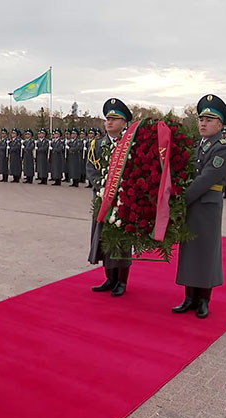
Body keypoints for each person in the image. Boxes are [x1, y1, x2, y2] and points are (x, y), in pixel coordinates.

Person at [172, 94, 226, 319]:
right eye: (201, 120)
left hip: (207, 207)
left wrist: (180, 201)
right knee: (190, 250)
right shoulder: (199, 146)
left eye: (208, 120)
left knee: (206, 251)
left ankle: (203, 300)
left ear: (220, 124)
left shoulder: (222, 149)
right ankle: (189, 297)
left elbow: (204, 180)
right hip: (193, 205)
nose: (203, 124)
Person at [88, 98, 133, 297]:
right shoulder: (97, 144)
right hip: (102, 198)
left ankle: (121, 280)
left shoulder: (129, 145)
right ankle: (109, 277)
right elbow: (91, 169)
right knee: (103, 237)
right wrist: (103, 188)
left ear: (124, 123)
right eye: (107, 119)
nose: (109, 122)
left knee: (122, 240)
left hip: (123, 200)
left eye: (115, 119)